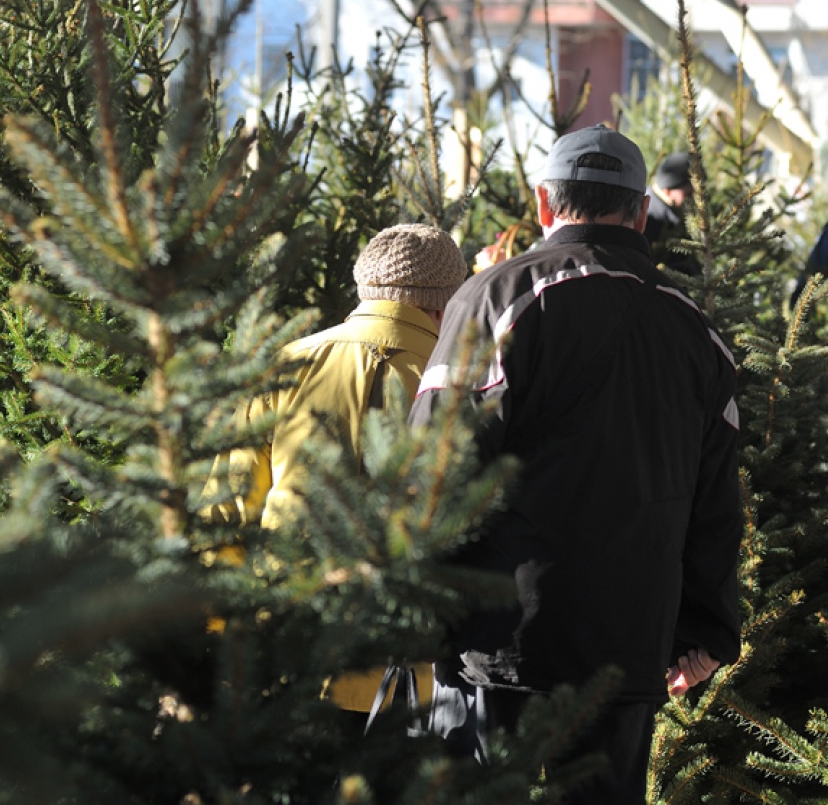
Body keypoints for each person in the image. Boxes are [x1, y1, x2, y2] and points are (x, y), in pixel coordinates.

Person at [409, 125, 743, 803]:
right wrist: (709, 631)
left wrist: (411, 604)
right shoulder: (694, 330)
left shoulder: (494, 297)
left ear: (543, 201)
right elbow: (715, 499)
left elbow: (434, 465)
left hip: (494, 636)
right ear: (641, 211)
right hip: (627, 643)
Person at [206, 222, 468, 726]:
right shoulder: (462, 382)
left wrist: (217, 643)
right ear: (445, 305)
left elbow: (227, 512)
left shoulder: (285, 364)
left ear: (364, 288)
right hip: (413, 678)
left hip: (285, 656)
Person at [643, 151, 698, 277]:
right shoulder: (649, 218)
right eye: (688, 194)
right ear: (667, 191)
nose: (693, 199)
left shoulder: (672, 211)